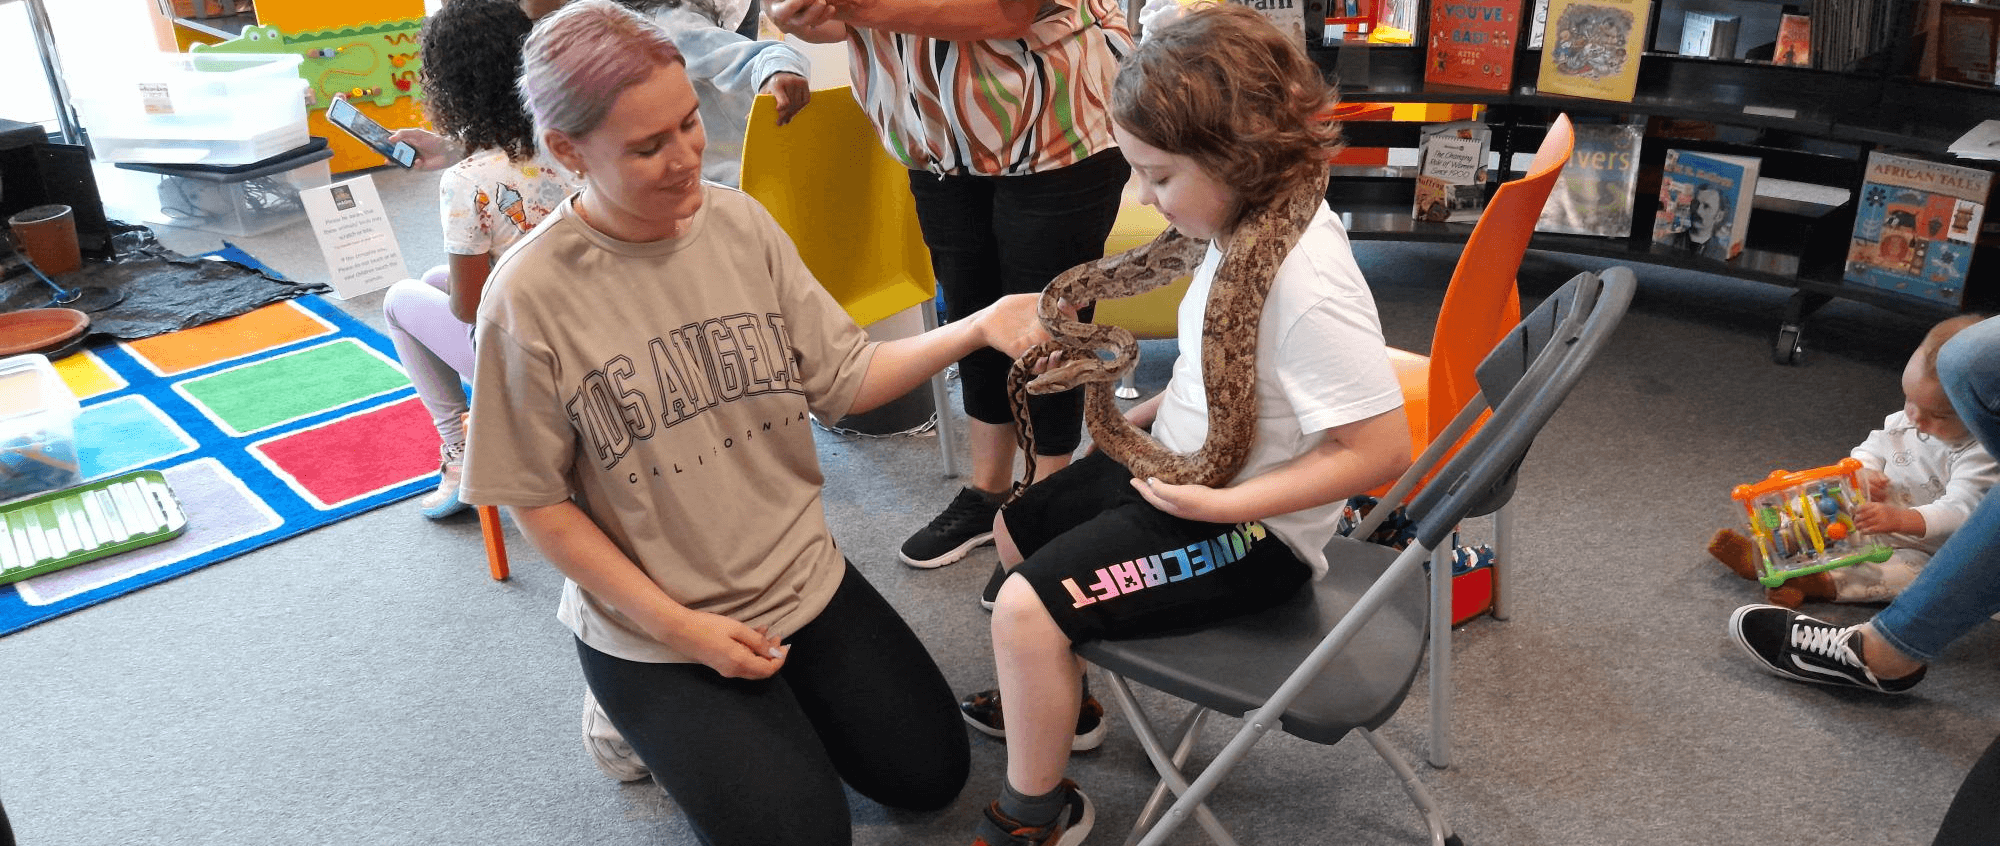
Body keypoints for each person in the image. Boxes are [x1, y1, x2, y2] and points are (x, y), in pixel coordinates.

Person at [458, 3, 1053, 842]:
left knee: (929, 778)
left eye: (689, 123)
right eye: (647, 146)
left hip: (799, 575)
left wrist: (978, 325)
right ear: (568, 150)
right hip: (660, 623)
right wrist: (682, 629)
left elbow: (847, 379)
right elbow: (537, 501)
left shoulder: (739, 222)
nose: (684, 158)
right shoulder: (526, 297)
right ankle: (623, 709)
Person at [956, 7, 1411, 844]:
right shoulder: (1236, 229)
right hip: (1178, 465)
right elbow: (1229, 363)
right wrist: (1159, 407)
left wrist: (1227, 506)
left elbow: (1381, 449)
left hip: (1252, 530)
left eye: (1157, 176)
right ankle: (1065, 702)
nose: (1141, 197)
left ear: (1238, 156)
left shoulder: (1307, 279)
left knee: (1022, 610)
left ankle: (1036, 813)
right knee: (1018, 526)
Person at [767, 0, 1135, 572]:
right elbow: (844, 26)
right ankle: (989, 491)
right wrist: (803, 15)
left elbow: (1006, 13)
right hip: (934, 142)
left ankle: (1046, 503)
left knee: (1046, 329)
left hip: (1056, 126)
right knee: (971, 314)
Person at [1729, 314, 2000, 695]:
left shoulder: (1980, 453)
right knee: (1826, 509)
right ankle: (1776, 546)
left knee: (1903, 576)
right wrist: (1863, 473)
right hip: (1875, 519)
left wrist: (1902, 520)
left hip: (1931, 548)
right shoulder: (1909, 418)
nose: (1916, 419)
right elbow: (1872, 447)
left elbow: (1963, 512)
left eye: (1938, 415)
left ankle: (1820, 584)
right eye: (1909, 400)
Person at [381, 0, 578, 519]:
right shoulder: (573, 143)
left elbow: (470, 309)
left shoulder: (466, 181)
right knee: (433, 278)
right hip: (588, 331)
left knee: (400, 299)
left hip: (528, 362)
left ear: (446, 88)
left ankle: (460, 451)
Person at [389, 0, 811, 176]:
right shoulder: (561, 42)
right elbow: (541, 137)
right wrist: (454, 148)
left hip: (716, 190)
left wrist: (778, 72)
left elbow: (758, 56)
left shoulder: (655, 26)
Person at [1667, 182, 1732, 261]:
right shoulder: (1668, 241)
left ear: (1719, 216)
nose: (1698, 211)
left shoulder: (1722, 256)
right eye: (1696, 203)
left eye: (1706, 206)